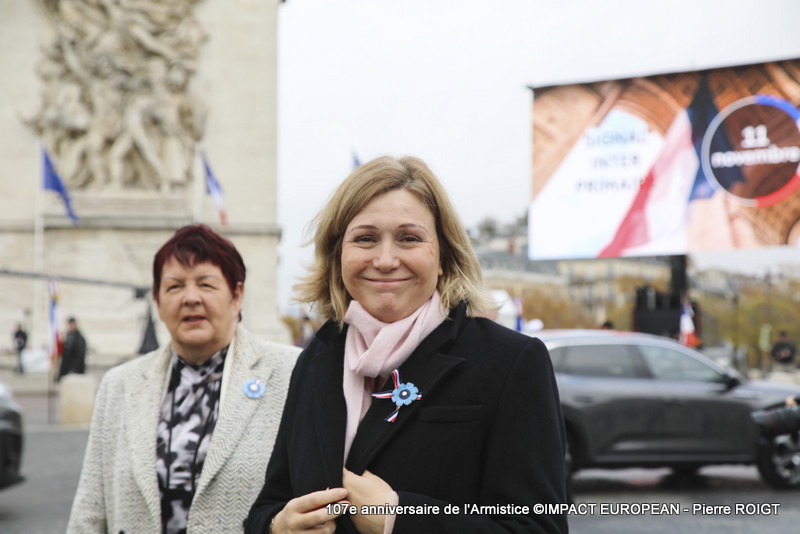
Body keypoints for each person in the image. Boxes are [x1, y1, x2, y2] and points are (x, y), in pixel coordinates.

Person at [245, 156, 568, 534]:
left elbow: (538, 527)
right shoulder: (317, 358)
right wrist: (276, 526)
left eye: (409, 238)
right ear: (338, 257)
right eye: (365, 239)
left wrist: (400, 519)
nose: (384, 260)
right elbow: (270, 503)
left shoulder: (511, 361)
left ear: (444, 256)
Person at [67, 224, 300, 533]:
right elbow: (89, 511)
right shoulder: (119, 385)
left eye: (206, 284)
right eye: (175, 286)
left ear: (236, 295)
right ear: (158, 301)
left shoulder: (290, 372)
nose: (190, 298)